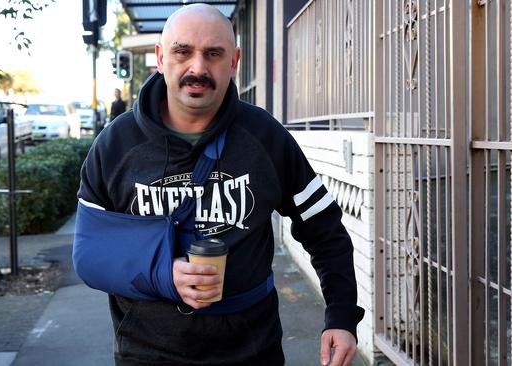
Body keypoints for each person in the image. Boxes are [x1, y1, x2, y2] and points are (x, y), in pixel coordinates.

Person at [75, 4, 364, 365]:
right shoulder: (115, 146)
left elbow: (325, 231)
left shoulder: (265, 138)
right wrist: (164, 274)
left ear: (234, 61)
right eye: (183, 52)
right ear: (161, 58)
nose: (198, 68)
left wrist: (341, 317)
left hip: (253, 352)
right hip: (146, 353)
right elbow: (89, 254)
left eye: (213, 53)